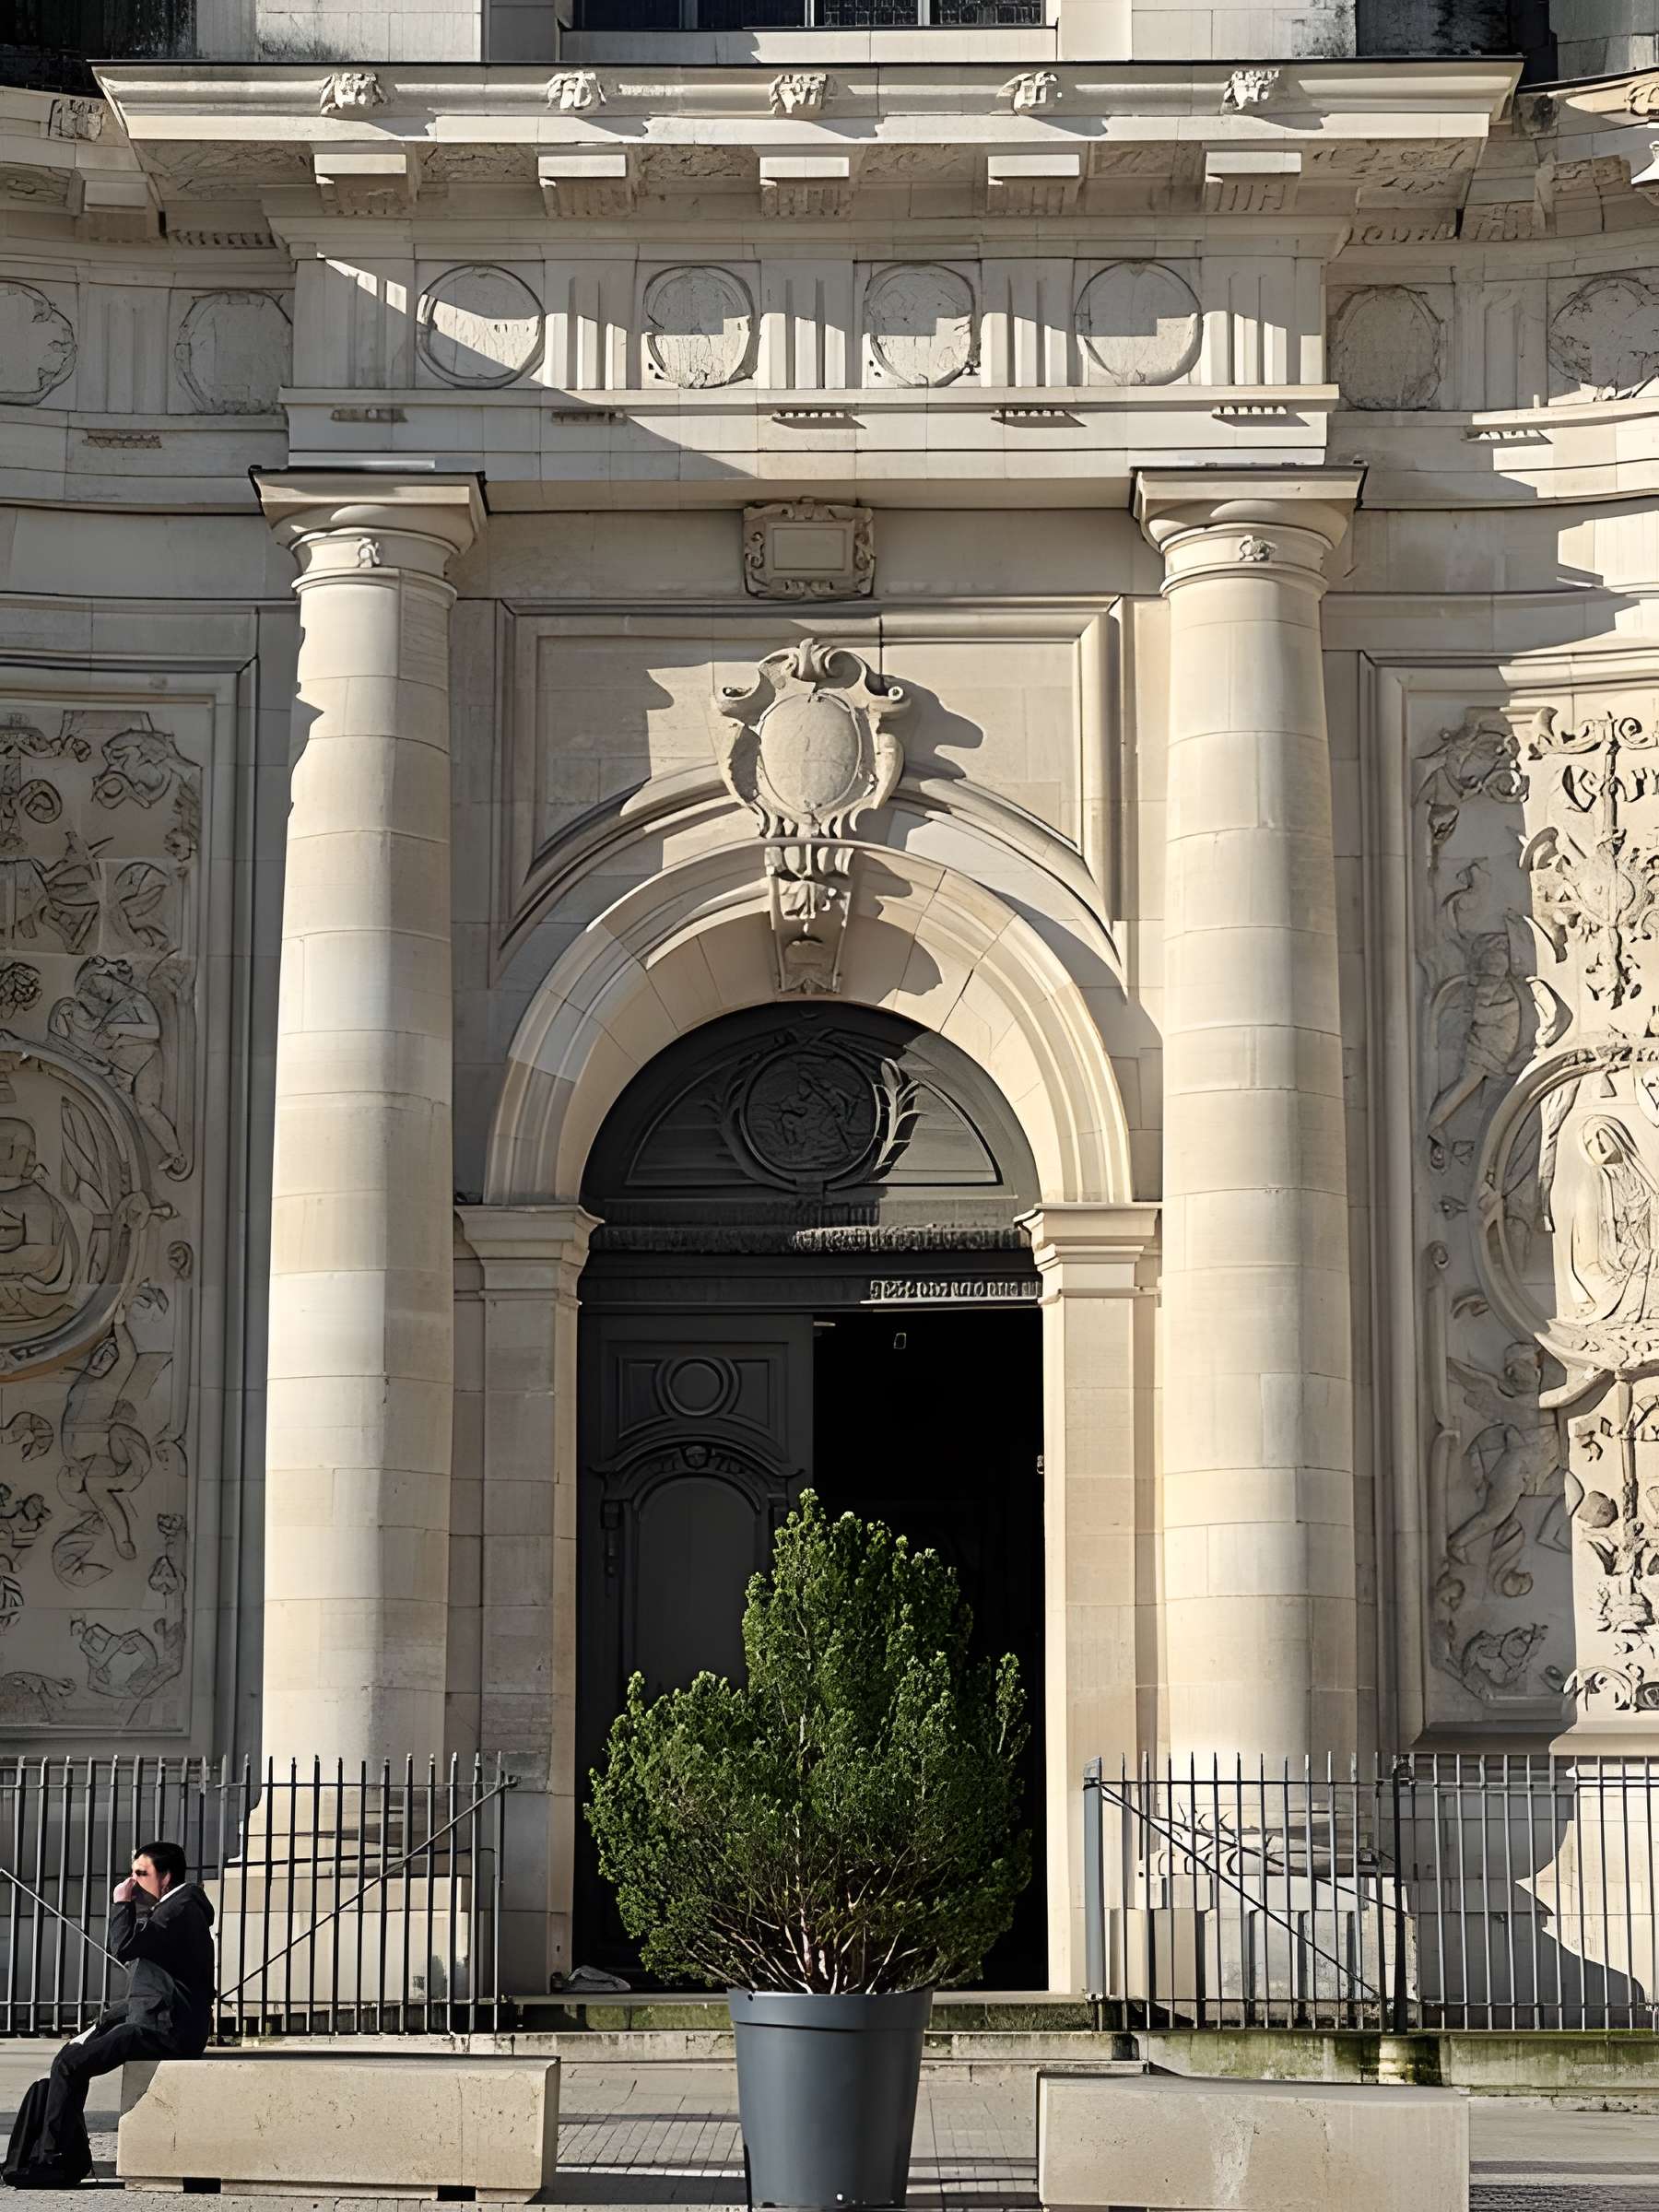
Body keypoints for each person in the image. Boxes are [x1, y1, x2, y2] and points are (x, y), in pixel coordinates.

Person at [14, 1840, 215, 2186]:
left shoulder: (177, 1911)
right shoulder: (176, 1908)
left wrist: (121, 1903)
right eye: (132, 1873)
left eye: (141, 1873)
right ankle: (60, 2153)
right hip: (160, 2018)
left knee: (70, 2065)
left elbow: (122, 1947)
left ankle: (55, 2160)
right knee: (73, 2055)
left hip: (166, 2030)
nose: (132, 1881)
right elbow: (159, 1986)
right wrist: (103, 2021)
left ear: (165, 1877)